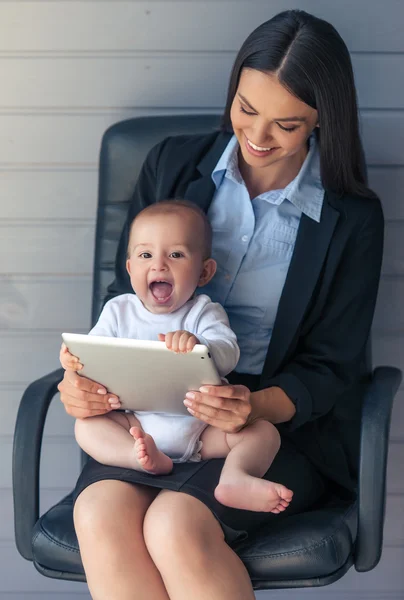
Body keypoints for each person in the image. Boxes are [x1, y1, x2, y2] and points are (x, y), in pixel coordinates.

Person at [58, 9, 384, 600]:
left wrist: (248, 404)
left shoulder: (350, 218)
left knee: (175, 523)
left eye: (286, 124)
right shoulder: (173, 165)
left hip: (267, 424)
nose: (257, 138)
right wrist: (84, 380)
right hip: (151, 414)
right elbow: (124, 296)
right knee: (100, 515)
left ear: (320, 122)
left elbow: (331, 367)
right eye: (246, 109)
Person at [60, 200, 293, 513]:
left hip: (201, 428)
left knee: (264, 432)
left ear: (204, 272)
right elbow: (94, 352)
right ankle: (140, 459)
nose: (159, 265)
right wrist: (74, 361)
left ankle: (236, 476)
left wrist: (199, 345)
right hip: (135, 423)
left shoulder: (202, 313)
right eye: (145, 255)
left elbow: (228, 351)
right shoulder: (118, 311)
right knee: (86, 427)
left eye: (176, 255)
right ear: (130, 268)